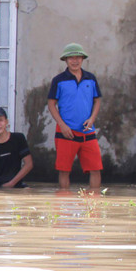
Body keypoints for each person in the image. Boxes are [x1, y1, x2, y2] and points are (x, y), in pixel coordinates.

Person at [47, 43, 102, 191]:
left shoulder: (91, 78)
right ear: (65, 60)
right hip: (66, 132)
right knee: (64, 170)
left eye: (78, 57)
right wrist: (62, 125)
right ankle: (64, 203)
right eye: (71, 58)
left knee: (95, 169)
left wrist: (92, 119)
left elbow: (97, 100)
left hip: (87, 131)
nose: (75, 61)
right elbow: (51, 104)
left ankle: (94, 205)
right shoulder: (58, 80)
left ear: (83, 59)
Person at [0, 107, 33, 189]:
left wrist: (11, 184)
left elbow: (29, 164)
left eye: (0, 120)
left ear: (6, 122)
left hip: (17, 186)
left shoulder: (18, 138)